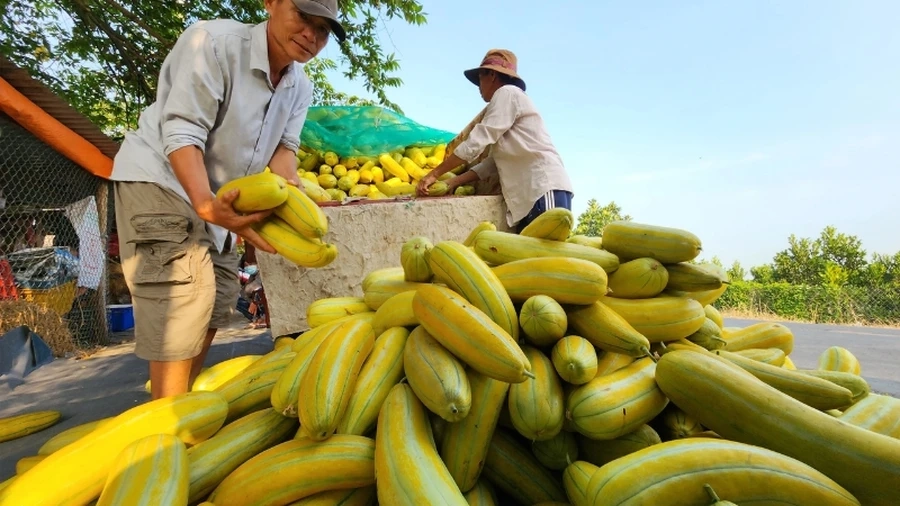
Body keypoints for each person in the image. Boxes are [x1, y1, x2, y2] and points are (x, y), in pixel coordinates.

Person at [108, 0, 346, 400]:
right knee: (183, 300)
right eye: (304, 17)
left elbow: (283, 153)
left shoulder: (299, 86)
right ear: (270, 3)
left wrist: (297, 202)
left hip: (221, 201)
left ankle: (178, 408)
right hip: (162, 180)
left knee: (215, 301)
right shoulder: (213, 42)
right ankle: (165, 432)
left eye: (324, 30)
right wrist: (203, 202)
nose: (312, 35)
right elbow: (182, 130)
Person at [416, 49, 575, 233]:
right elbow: (492, 164)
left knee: (548, 258)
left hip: (543, 188)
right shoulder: (506, 104)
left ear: (492, 75)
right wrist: (453, 182)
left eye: (480, 78)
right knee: (535, 260)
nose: (478, 86)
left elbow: (476, 142)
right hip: (530, 198)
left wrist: (433, 175)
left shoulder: (507, 93)